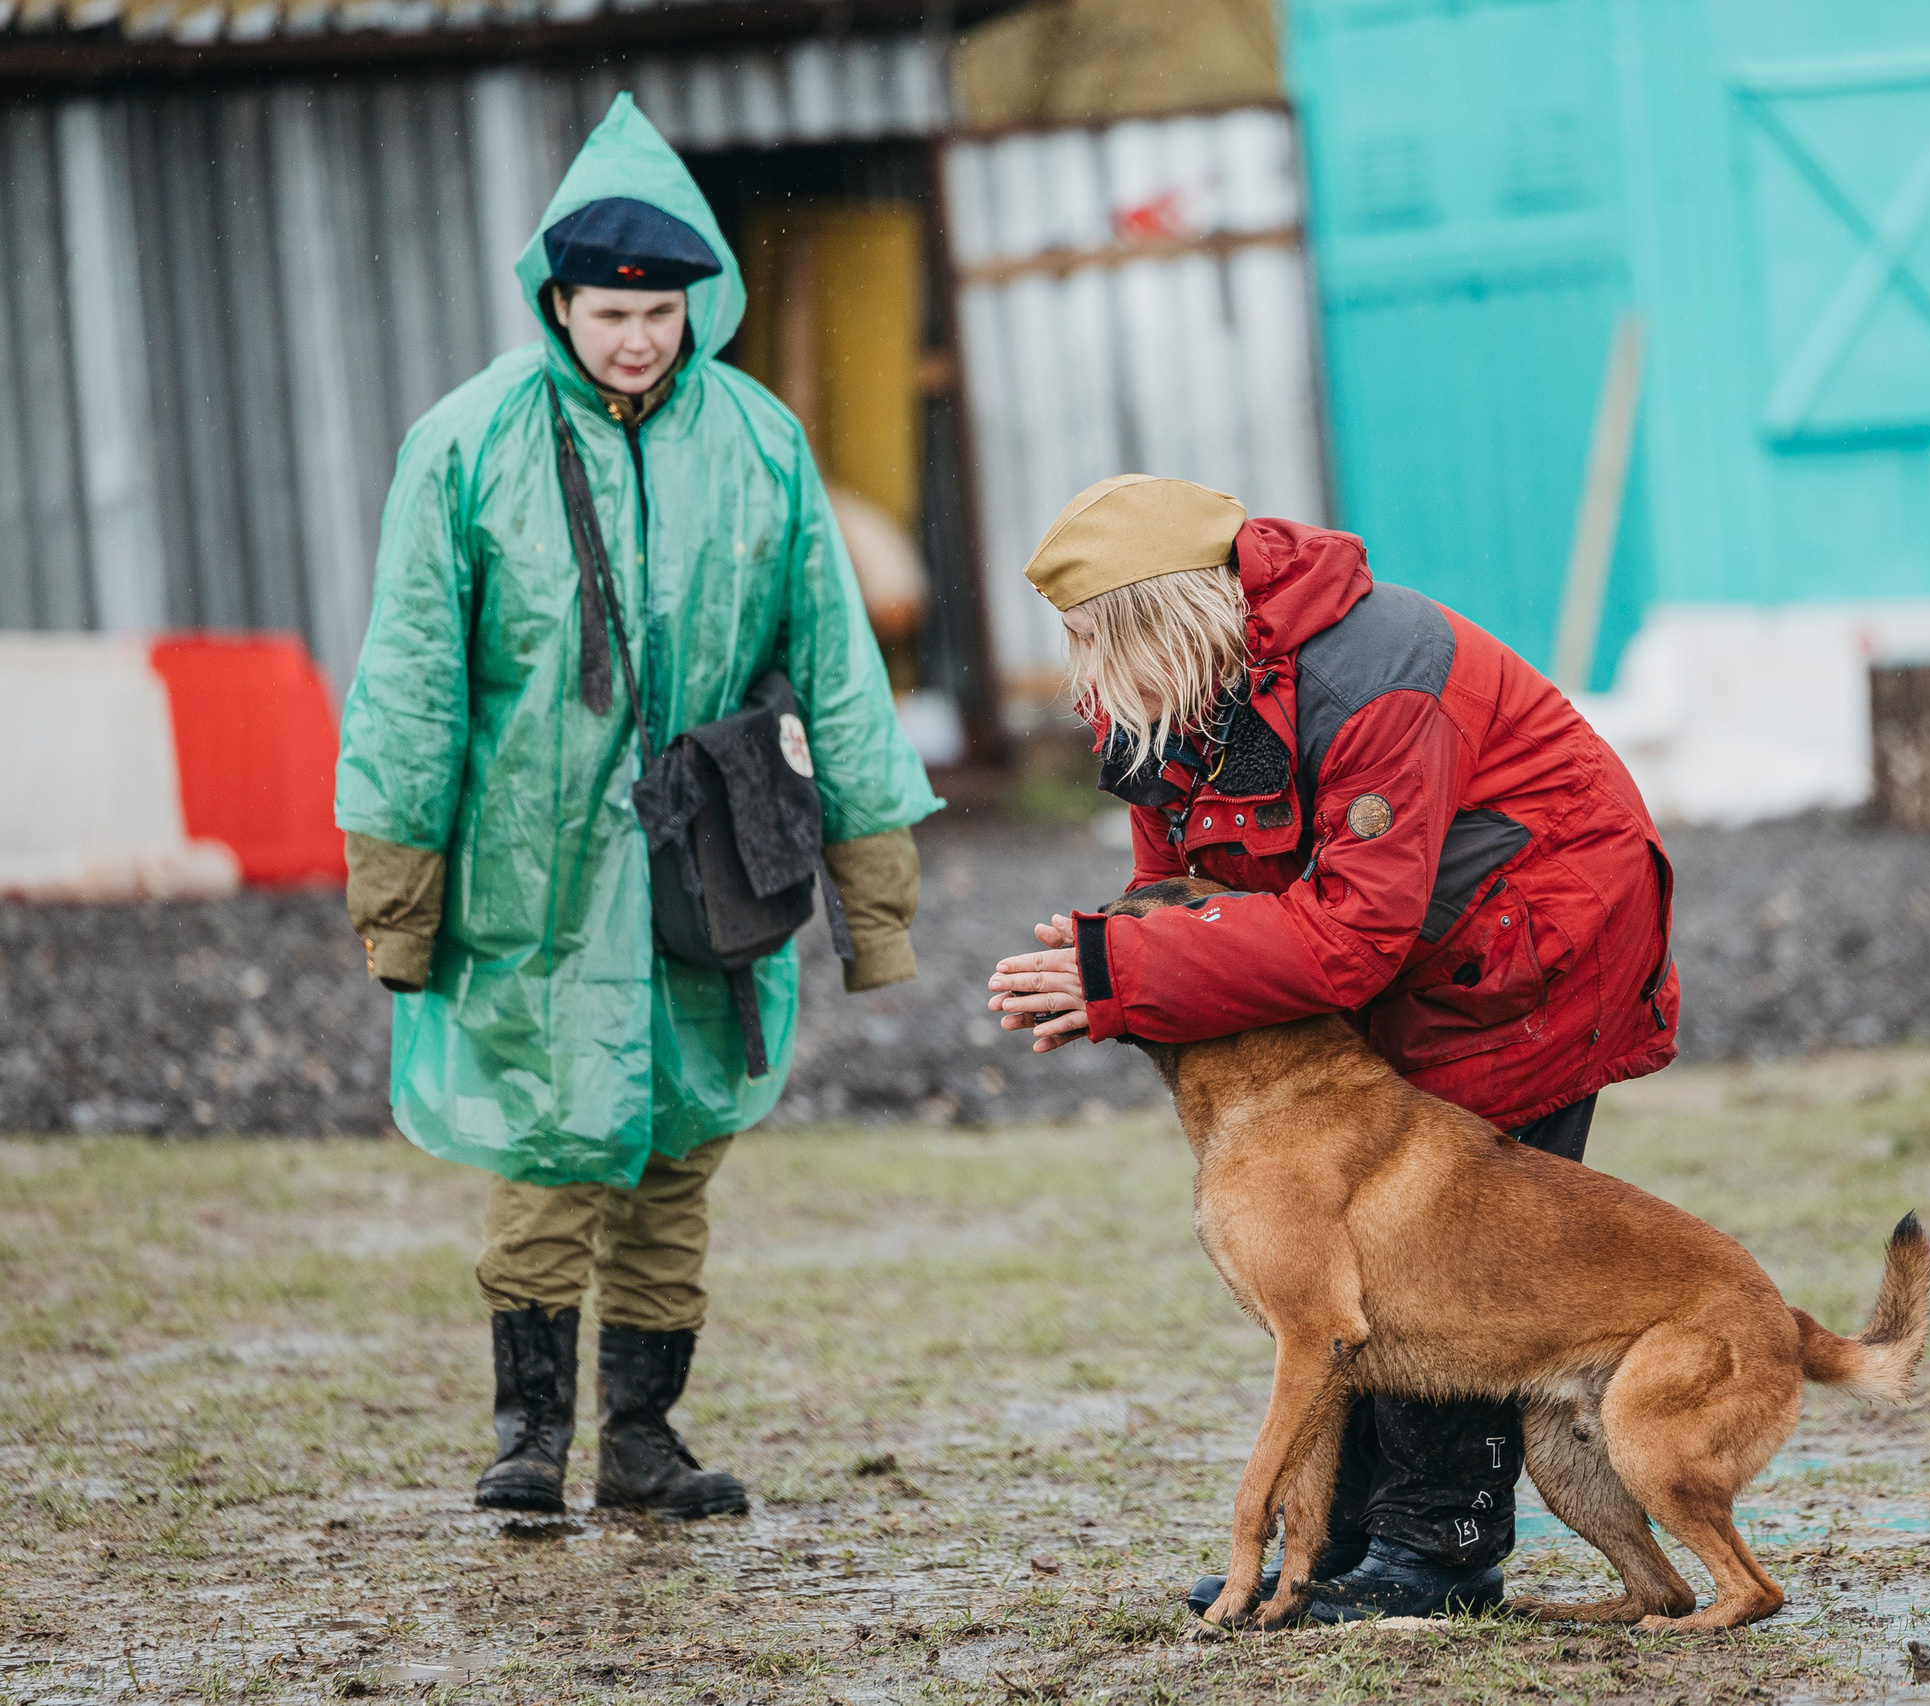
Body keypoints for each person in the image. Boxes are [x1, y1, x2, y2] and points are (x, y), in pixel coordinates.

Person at [336, 96, 937, 1519]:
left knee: (678, 1143)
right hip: (529, 870)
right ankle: (529, 1440)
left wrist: (875, 896)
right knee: (548, 1143)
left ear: (694, 303)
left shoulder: (762, 442)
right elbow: (410, 680)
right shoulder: (467, 444)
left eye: (662, 311)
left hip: (709, 861)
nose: (638, 339)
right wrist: (397, 890)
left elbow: (838, 667)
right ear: (558, 301)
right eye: (611, 312)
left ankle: (645, 1442)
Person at [985, 475, 1679, 1620]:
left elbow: (1353, 939)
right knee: (1338, 1257)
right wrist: (1117, 962)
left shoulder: (1375, 676)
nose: (1081, 675)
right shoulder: (1166, 694)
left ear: (1168, 616)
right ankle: (1335, 1540)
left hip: (1526, 948)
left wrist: (1131, 969)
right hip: (1402, 948)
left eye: (1092, 638)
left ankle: (1438, 1549)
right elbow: (1178, 892)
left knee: (1438, 1246)